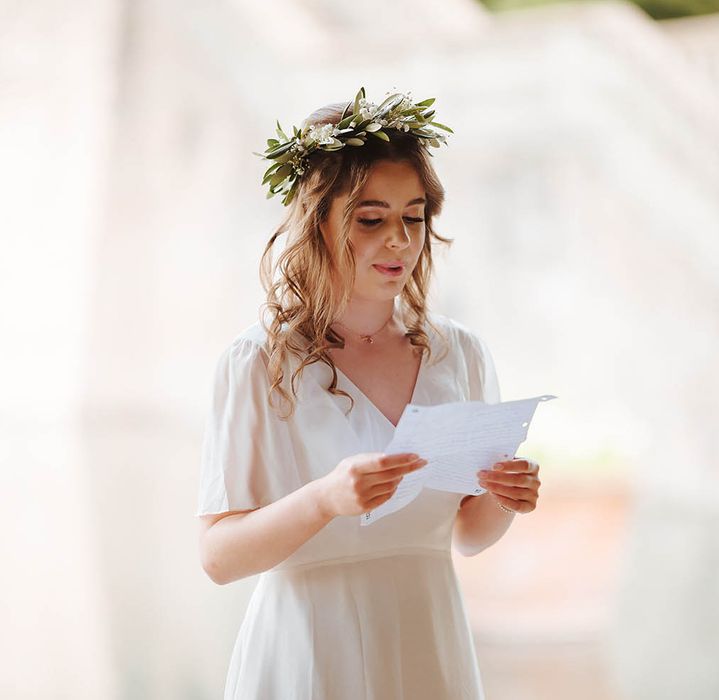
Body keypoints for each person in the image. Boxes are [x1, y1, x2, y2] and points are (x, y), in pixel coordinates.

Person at [196, 87, 541, 699]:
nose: (401, 241)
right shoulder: (258, 362)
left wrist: (503, 500)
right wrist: (325, 499)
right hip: (308, 653)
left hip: (429, 645)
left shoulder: (458, 353)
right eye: (371, 219)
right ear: (318, 221)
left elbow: (466, 535)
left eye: (413, 217)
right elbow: (219, 558)